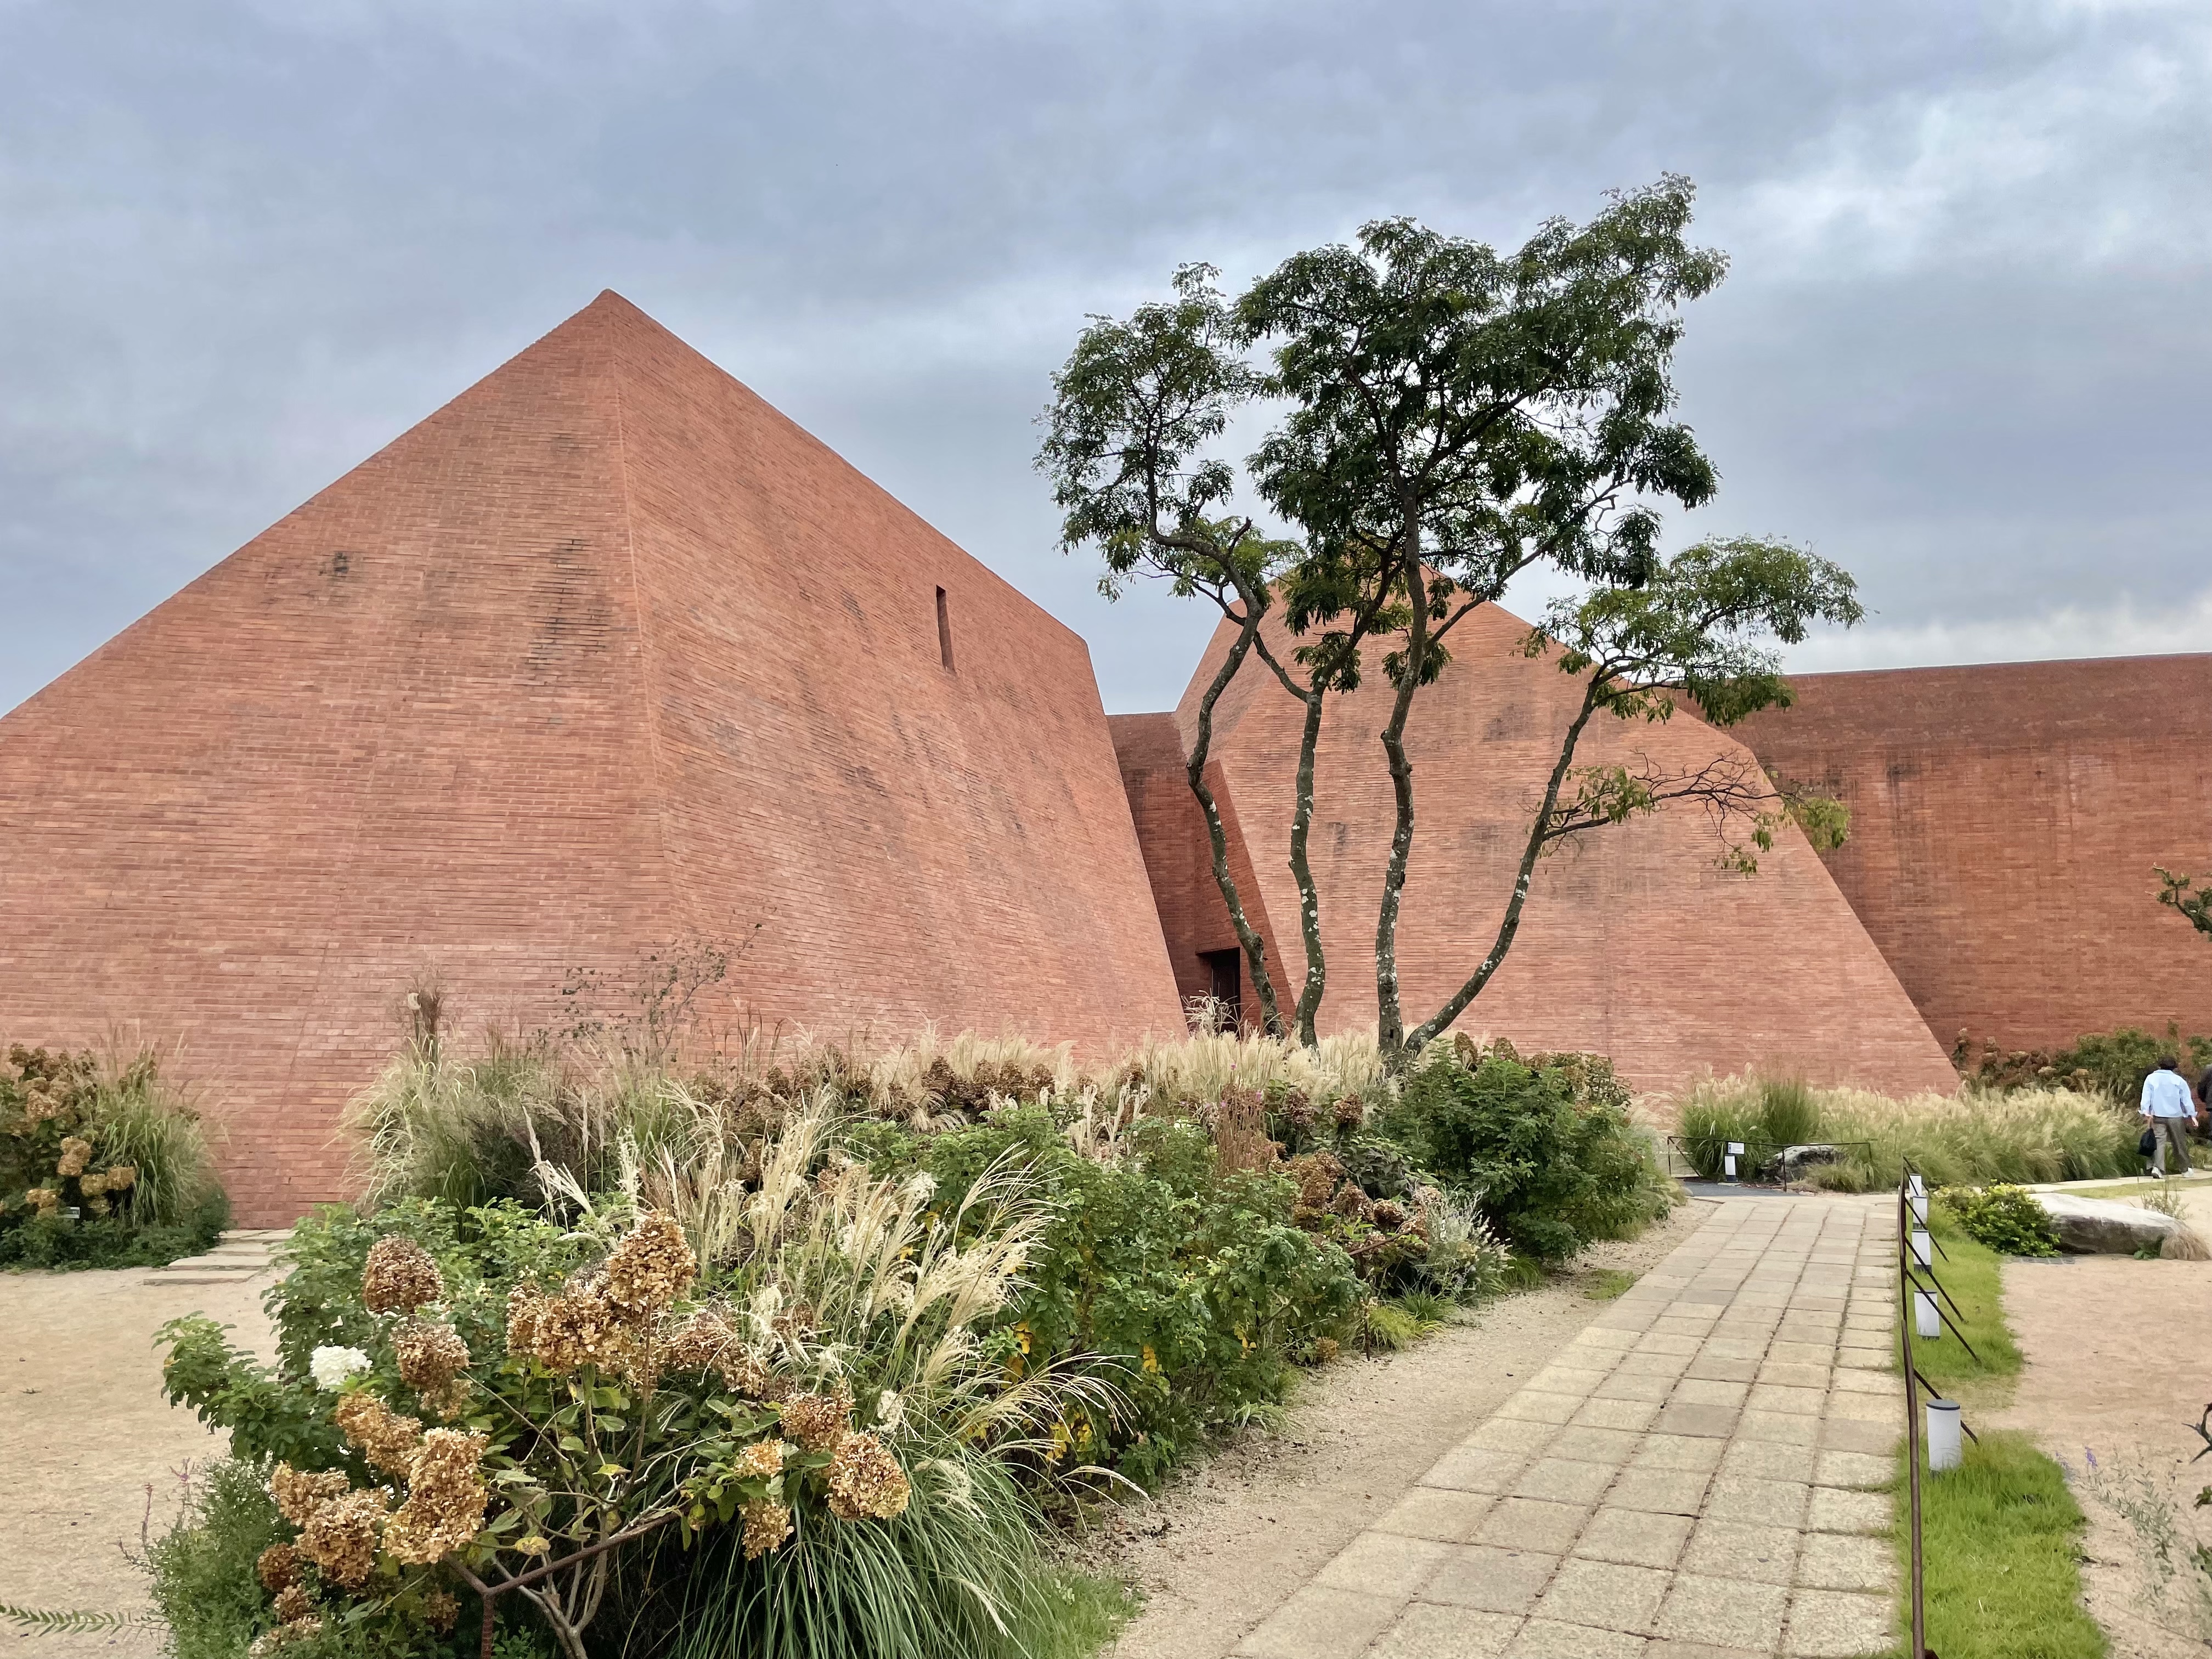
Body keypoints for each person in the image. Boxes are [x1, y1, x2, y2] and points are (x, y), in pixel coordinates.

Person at [2140, 1056, 2199, 1176]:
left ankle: (2158, 1169)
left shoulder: (2151, 1079)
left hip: (2158, 1115)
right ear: (2174, 1067)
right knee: (2179, 1143)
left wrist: (2146, 1111)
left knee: (2159, 1142)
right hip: (2176, 1116)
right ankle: (2185, 1169)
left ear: (2160, 1065)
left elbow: (2146, 1096)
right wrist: (2192, 1115)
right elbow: (2186, 1099)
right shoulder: (2179, 1081)